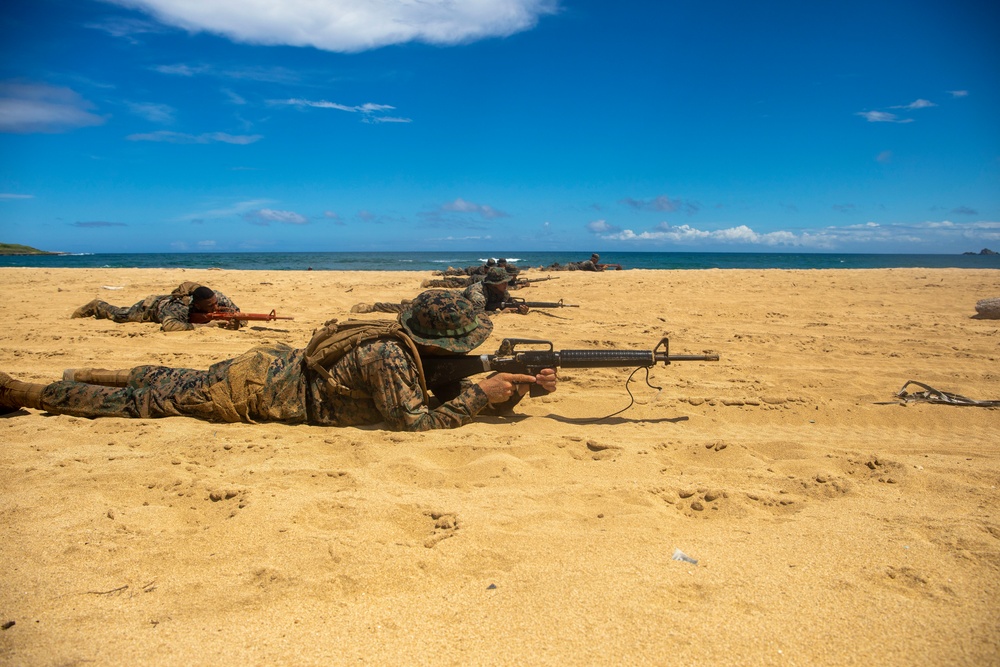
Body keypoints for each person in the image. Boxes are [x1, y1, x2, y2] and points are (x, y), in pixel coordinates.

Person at [0, 291, 558, 431]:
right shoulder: (391, 354)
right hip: (255, 394)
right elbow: (411, 421)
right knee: (141, 404)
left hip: (268, 366)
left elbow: (433, 382)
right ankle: (21, 390)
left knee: (175, 376)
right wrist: (477, 399)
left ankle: (86, 370)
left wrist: (517, 386)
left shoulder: (395, 334)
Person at [71, 282, 242, 331]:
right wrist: (205, 325)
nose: (215, 307)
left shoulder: (217, 297)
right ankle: (96, 305)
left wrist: (238, 323)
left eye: (215, 303)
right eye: (209, 306)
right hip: (150, 309)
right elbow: (169, 325)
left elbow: (238, 313)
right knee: (120, 315)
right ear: (196, 304)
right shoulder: (179, 307)